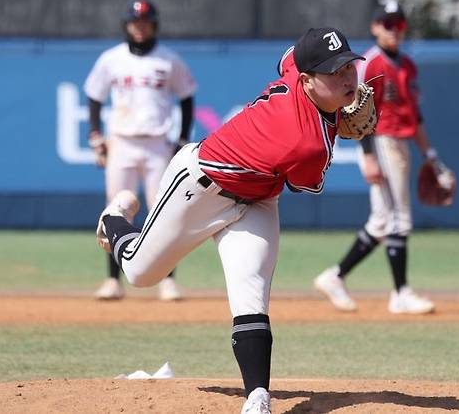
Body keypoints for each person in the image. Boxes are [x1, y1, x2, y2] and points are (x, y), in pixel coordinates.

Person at [95, 27, 366, 414]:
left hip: (257, 202)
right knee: (140, 273)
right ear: (306, 80)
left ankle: (257, 398)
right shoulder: (309, 143)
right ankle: (114, 220)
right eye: (333, 71)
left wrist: (332, 105)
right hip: (200, 186)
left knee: (251, 291)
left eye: (348, 66)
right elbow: (305, 182)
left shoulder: (295, 69)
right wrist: (339, 125)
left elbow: (288, 56)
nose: (346, 76)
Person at [314, 0, 444, 315]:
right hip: (381, 141)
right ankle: (400, 293)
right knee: (399, 218)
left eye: (399, 24)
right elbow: (357, 113)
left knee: (383, 220)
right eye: (388, 24)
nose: (394, 30)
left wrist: (431, 155)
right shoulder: (371, 63)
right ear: (375, 28)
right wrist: (368, 156)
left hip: (402, 143)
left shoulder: (408, 65)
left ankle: (336, 276)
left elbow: (416, 115)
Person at [84, 0, 197, 301]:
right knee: (114, 209)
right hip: (121, 141)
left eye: (145, 23)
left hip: (158, 144)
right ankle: (112, 280)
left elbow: (187, 97)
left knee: (165, 210)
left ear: (154, 25)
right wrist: (96, 136)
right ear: (126, 25)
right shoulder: (112, 59)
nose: (140, 28)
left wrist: (183, 138)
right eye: (135, 23)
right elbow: (94, 96)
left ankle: (168, 281)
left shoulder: (168, 60)